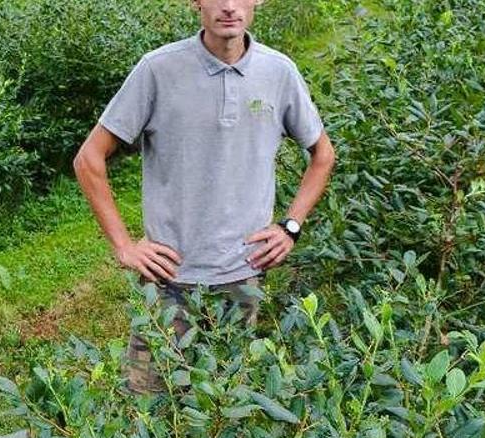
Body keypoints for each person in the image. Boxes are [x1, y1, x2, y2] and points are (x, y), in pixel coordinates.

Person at [71, 0, 337, 394]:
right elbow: (88, 158)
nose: (229, 7)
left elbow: (323, 154)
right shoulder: (158, 70)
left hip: (242, 276)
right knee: (149, 409)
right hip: (168, 279)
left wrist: (290, 227)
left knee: (219, 412)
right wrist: (124, 246)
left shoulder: (278, 72)